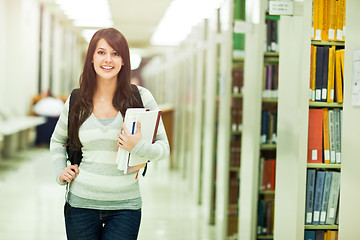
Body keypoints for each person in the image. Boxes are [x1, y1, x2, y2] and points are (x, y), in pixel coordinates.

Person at [50, 28, 170, 240]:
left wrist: (138, 146)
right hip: (81, 204)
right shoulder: (77, 100)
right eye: (101, 52)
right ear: (91, 58)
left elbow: (164, 148)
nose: (108, 59)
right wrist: (61, 171)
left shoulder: (141, 98)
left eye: (116, 53)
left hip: (125, 207)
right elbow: (57, 141)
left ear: (124, 60)